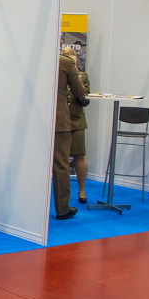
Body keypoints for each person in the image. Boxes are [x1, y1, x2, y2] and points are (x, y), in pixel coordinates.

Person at [53, 50, 88, 220]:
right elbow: (80, 91)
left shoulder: (37, 59)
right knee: (60, 165)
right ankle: (62, 209)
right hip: (59, 119)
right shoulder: (65, 62)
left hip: (35, 121)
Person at [62, 47, 91, 203]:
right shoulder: (58, 77)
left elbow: (86, 100)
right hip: (60, 121)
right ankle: (61, 192)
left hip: (77, 120)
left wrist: (76, 84)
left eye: (74, 63)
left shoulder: (83, 77)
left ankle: (82, 190)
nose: (72, 66)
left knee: (80, 156)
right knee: (61, 158)